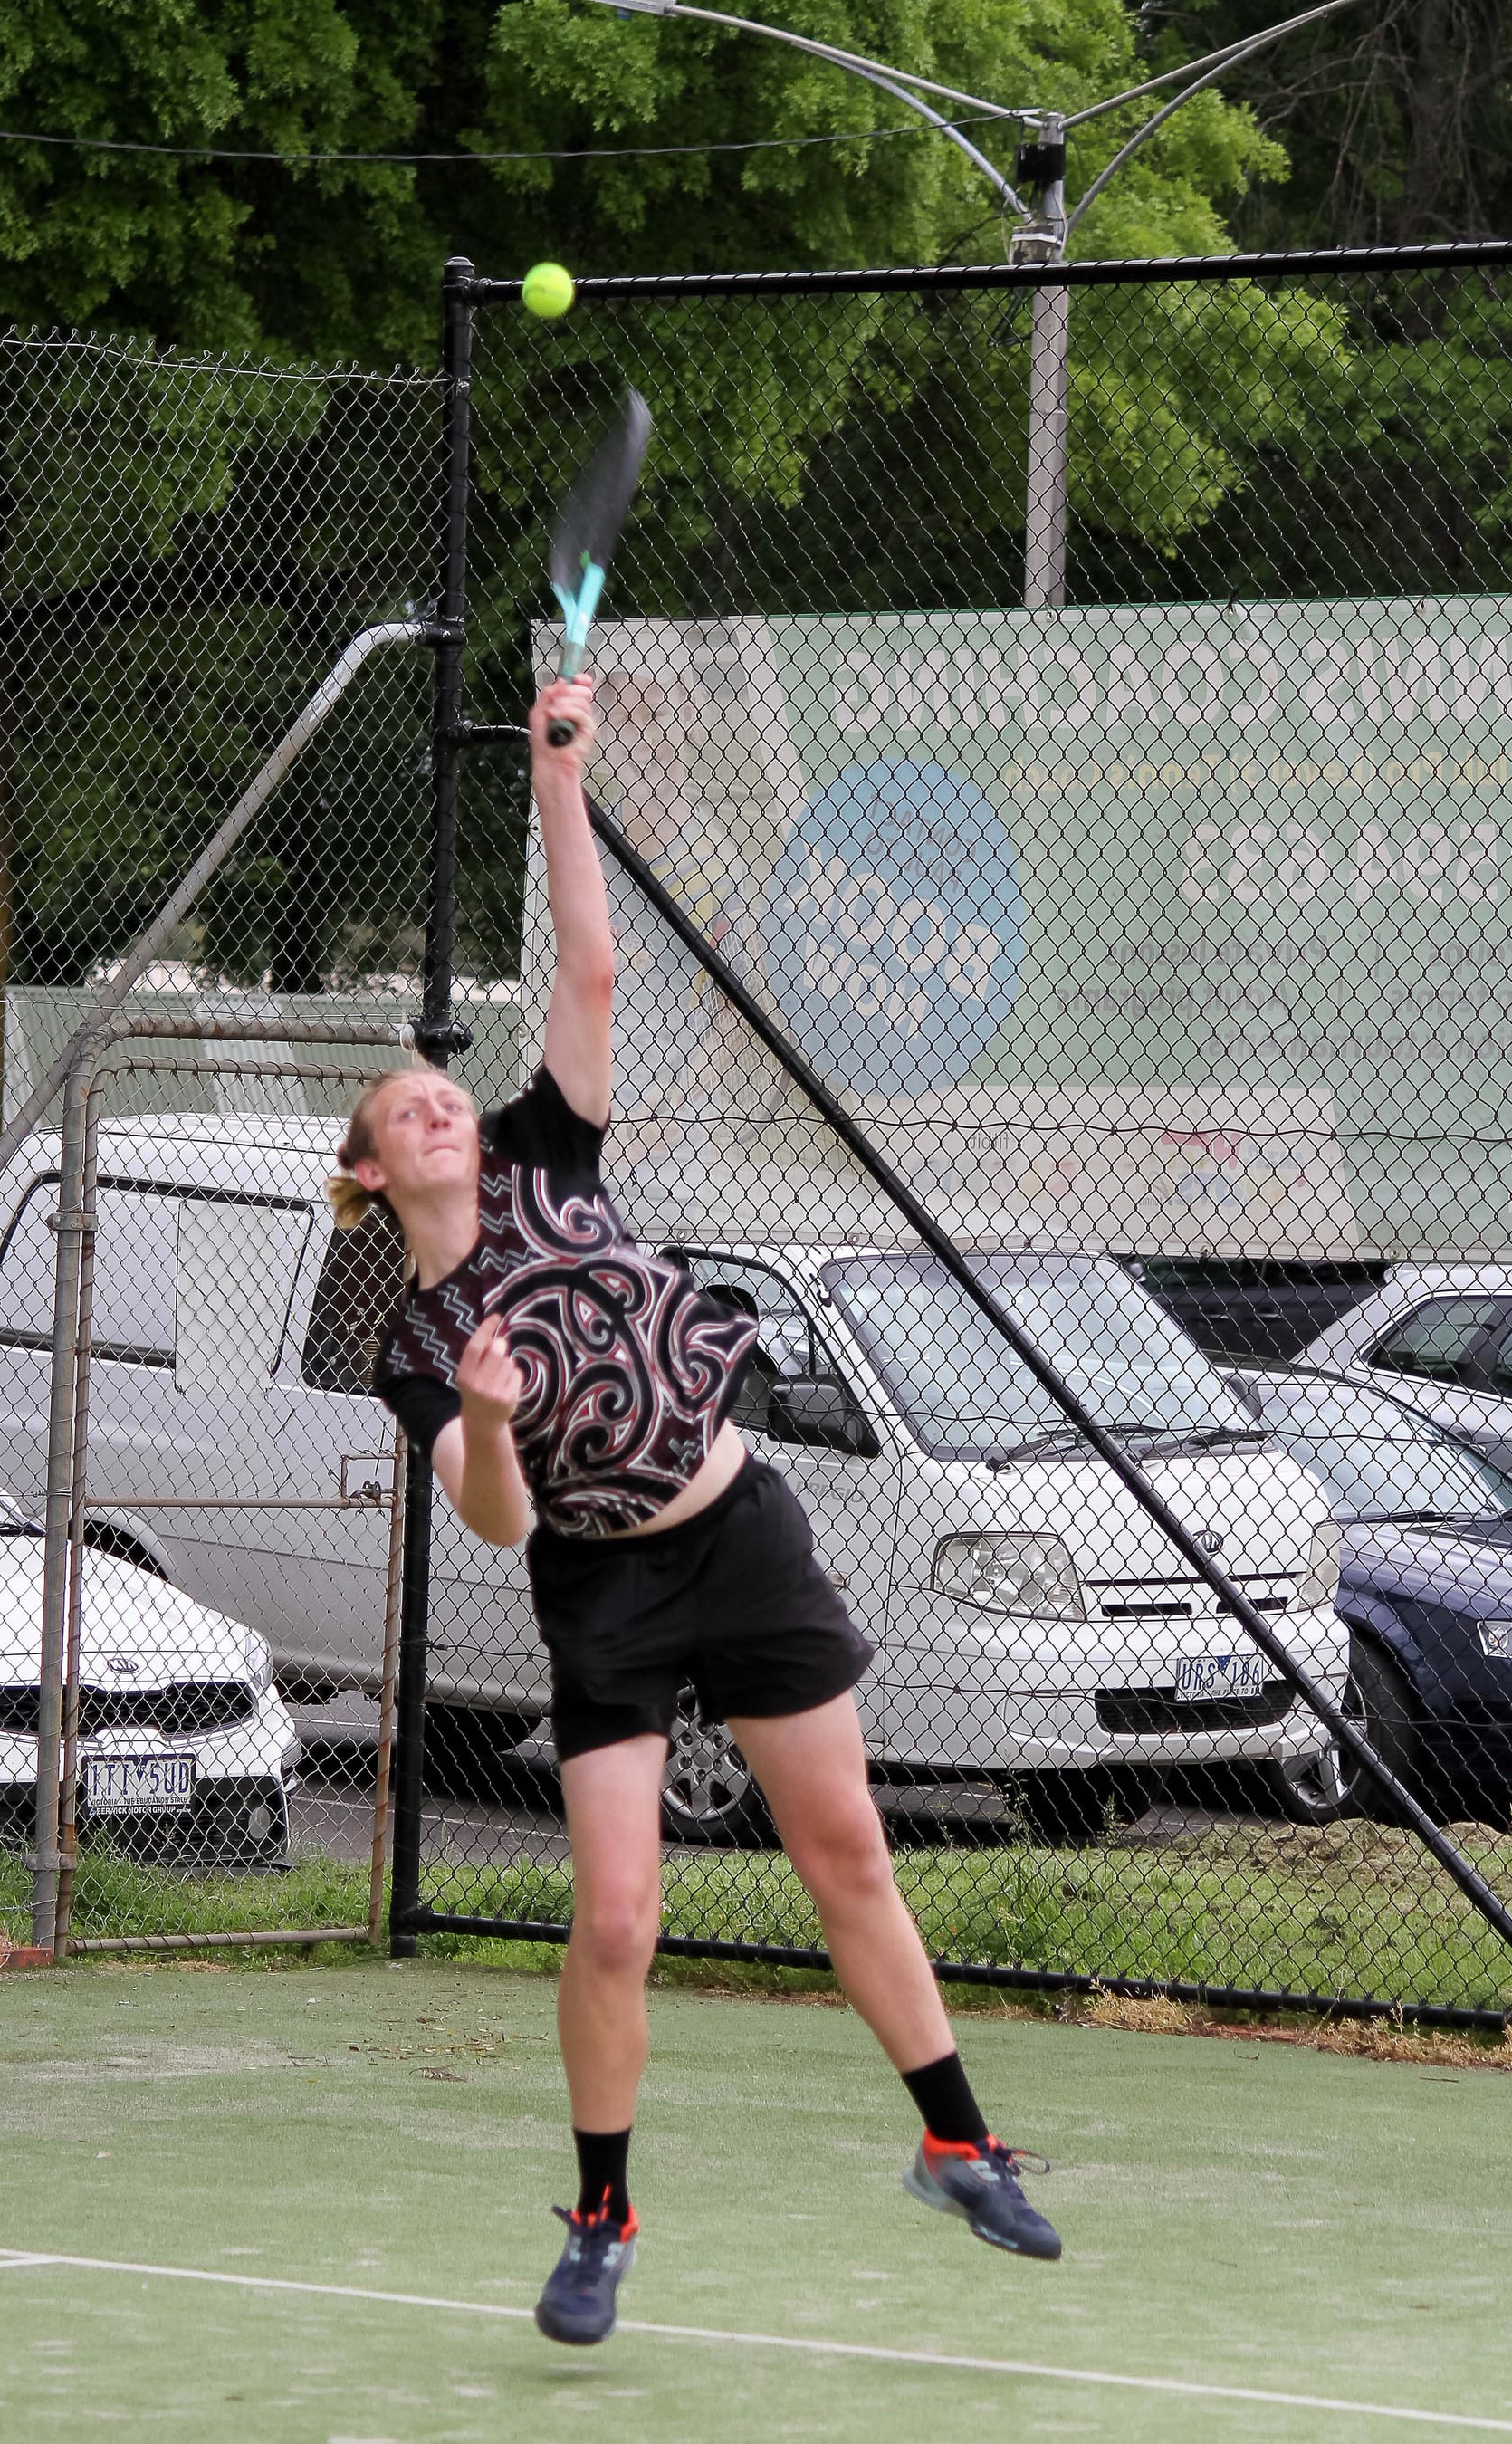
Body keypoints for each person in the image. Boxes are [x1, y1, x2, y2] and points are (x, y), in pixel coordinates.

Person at [329, 675, 1060, 2347]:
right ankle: (600, 2215)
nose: (433, 1100)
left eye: (438, 1089)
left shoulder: (546, 1151)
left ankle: (955, 2139)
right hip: (606, 1593)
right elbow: (496, 1527)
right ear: (372, 1175)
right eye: (398, 1112)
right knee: (616, 1917)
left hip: (742, 1534)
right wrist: (499, 1431)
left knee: (847, 1852)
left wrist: (558, 777)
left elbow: (588, 964)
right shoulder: (424, 1346)